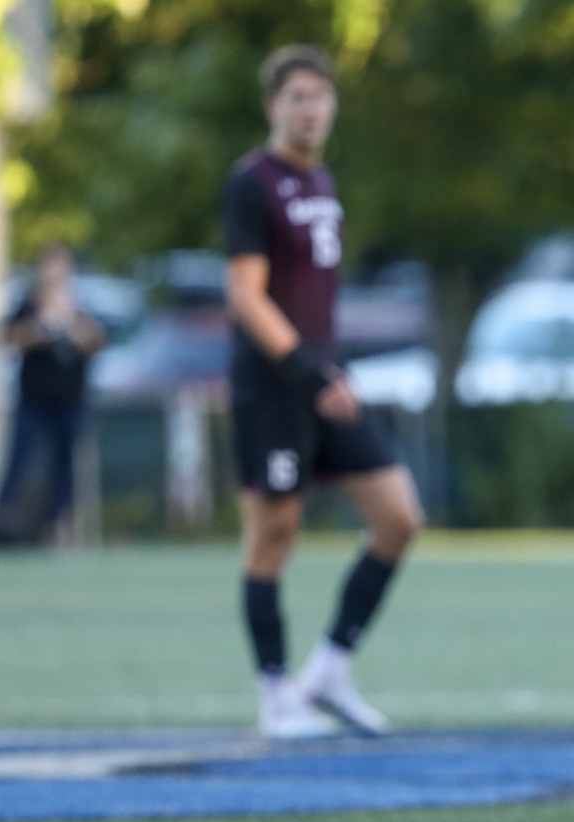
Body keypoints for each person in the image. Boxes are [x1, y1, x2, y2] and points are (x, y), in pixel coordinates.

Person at [222, 44, 422, 739]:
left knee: (398, 518)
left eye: (320, 96)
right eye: (297, 97)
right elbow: (246, 297)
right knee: (273, 536)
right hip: (276, 387)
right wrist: (309, 372)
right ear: (272, 106)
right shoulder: (252, 182)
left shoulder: (322, 179)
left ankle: (329, 671)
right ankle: (276, 695)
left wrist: (326, 372)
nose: (310, 109)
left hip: (326, 379)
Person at [0, 244, 104, 541]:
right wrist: (39, 329)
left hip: (70, 399)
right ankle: (1, 517)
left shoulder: (80, 306)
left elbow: (97, 340)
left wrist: (72, 329)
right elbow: (9, 338)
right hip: (34, 398)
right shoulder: (29, 306)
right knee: (20, 455)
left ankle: (57, 522)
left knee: (66, 462)